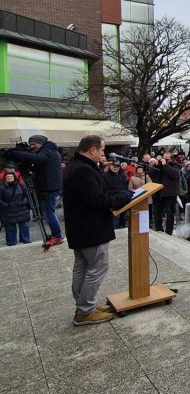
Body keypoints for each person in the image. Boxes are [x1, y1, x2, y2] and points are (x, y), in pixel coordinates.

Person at [64, 135, 133, 326]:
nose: (104, 153)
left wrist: (120, 194)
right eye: (102, 150)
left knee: (83, 268)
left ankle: (85, 305)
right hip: (90, 228)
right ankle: (85, 311)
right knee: (96, 268)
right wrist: (124, 197)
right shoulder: (82, 170)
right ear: (92, 150)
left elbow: (97, 193)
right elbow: (97, 200)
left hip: (81, 228)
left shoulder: (78, 166)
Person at [6, 134, 64, 246]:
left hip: (50, 188)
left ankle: (57, 236)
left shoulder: (48, 151)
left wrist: (14, 153)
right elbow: (37, 165)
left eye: (34, 144)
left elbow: (38, 159)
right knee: (48, 213)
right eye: (30, 144)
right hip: (46, 187)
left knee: (48, 214)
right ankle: (56, 235)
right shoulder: (47, 151)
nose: (32, 147)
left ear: (41, 143)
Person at [149, 152, 180, 235]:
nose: (165, 160)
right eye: (164, 158)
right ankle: (159, 230)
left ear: (171, 159)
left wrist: (165, 165)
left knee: (169, 213)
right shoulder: (159, 165)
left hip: (170, 193)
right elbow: (151, 174)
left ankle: (169, 231)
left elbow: (174, 174)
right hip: (158, 192)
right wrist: (155, 165)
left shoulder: (175, 165)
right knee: (157, 213)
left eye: (167, 159)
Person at [0, 167, 31, 246]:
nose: (9, 178)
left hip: (22, 209)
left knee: (24, 226)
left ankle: (26, 239)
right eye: (7, 177)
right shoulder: (2, 188)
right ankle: (11, 242)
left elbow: (27, 196)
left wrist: (23, 202)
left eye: (11, 177)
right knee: (10, 228)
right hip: (8, 211)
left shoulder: (21, 186)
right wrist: (5, 205)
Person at [102, 161, 129, 230]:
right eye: (114, 166)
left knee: (122, 223)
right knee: (114, 225)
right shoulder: (104, 176)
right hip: (112, 204)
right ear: (110, 166)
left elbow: (125, 187)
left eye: (117, 167)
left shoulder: (121, 176)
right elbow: (104, 191)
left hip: (123, 203)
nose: (115, 168)